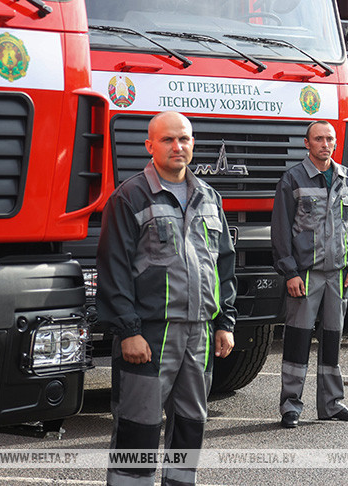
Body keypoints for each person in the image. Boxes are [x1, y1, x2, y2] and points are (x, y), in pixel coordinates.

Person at [97, 111, 237, 486]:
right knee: (138, 426)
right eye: (168, 140)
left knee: (191, 424)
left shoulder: (209, 197)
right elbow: (114, 270)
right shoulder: (129, 197)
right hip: (150, 335)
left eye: (185, 139)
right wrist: (128, 330)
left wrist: (225, 323)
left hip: (200, 335)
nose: (178, 146)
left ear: (193, 144)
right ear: (150, 146)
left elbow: (223, 265)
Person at [272, 120, 348, 429]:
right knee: (298, 340)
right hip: (306, 274)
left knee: (332, 339)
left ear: (336, 143)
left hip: (338, 275)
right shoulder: (293, 178)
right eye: (318, 139)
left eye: (329, 138)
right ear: (306, 143)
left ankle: (331, 404)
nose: (325, 144)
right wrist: (289, 272)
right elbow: (280, 230)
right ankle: (290, 406)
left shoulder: (346, 178)